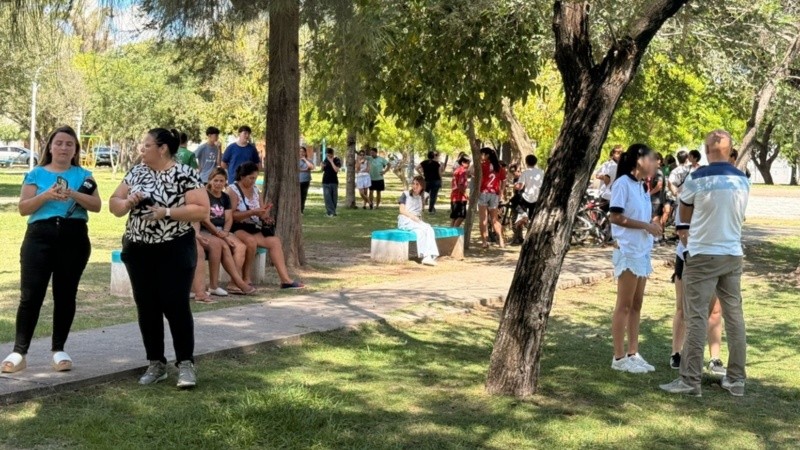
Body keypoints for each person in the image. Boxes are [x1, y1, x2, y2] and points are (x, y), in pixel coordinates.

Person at [109, 128, 209, 389]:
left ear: (162, 148)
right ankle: (156, 363)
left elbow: (201, 210)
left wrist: (166, 211)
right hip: (138, 249)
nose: (141, 149)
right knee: (147, 307)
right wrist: (128, 202)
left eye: (146, 145)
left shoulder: (185, 174)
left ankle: (185, 364)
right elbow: (114, 204)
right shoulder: (137, 171)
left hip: (174, 248)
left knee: (175, 306)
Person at [1, 126, 101, 374]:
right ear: (50, 147)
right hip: (39, 238)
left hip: (74, 238)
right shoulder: (35, 174)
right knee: (30, 296)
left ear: (75, 149)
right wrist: (46, 196)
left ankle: (59, 349)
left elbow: (97, 205)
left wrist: (74, 194)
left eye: (69, 144)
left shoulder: (84, 174)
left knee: (65, 295)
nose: (64, 148)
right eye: (59, 143)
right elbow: (24, 208)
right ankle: (19, 351)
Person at [661, 130, 749, 397]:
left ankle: (690, 380)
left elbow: (684, 208)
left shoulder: (698, 177)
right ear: (730, 150)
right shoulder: (743, 180)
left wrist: (687, 230)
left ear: (708, 151)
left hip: (702, 254)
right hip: (732, 253)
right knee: (734, 317)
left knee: (696, 315)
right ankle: (736, 379)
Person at [608, 143, 661, 374]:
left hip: (642, 251)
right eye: (651, 158)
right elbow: (616, 217)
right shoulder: (622, 184)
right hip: (628, 251)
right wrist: (646, 226)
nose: (655, 163)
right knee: (625, 304)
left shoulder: (642, 186)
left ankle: (633, 352)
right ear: (639, 160)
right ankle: (619, 357)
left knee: (637, 304)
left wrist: (652, 226)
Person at [668, 203, 726, 376]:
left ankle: (714, 358)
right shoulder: (689, 195)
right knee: (683, 308)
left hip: (716, 258)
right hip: (688, 257)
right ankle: (676, 353)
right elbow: (682, 232)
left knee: (715, 310)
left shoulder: (721, 197)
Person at [227, 162, 305, 289]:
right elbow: (231, 215)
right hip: (237, 227)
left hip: (253, 226)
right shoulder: (233, 190)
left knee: (274, 241)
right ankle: (246, 277)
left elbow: (260, 212)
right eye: (250, 178)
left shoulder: (256, 190)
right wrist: (252, 212)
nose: (253, 181)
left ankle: (285, 280)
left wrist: (265, 215)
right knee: (250, 241)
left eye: (255, 178)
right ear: (242, 176)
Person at [199, 167, 255, 296]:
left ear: (225, 182)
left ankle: (233, 284)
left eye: (222, 181)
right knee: (224, 245)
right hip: (207, 231)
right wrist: (219, 234)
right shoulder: (205, 196)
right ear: (210, 180)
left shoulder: (225, 197)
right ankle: (239, 282)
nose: (218, 184)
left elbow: (229, 218)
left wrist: (225, 231)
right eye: (216, 180)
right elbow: (204, 219)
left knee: (240, 246)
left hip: (222, 231)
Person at [398, 175, 439, 266]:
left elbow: (421, 211)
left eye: (418, 184)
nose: (415, 186)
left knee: (425, 230)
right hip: (405, 220)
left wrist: (418, 219)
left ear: (422, 186)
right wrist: (413, 217)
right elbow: (402, 210)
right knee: (426, 228)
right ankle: (427, 256)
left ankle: (428, 256)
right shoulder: (405, 194)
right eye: (413, 184)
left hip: (416, 221)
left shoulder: (424, 196)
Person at [478, 147, 506, 248]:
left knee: (483, 219)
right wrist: (501, 192)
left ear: (487, 155)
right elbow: (504, 180)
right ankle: (501, 240)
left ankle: (484, 241)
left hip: (484, 192)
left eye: (482, 154)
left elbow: (475, 175)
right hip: (494, 194)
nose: (481, 156)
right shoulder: (499, 167)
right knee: (495, 219)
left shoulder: (482, 166)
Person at [512, 154, 544, 244]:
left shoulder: (525, 173)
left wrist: (515, 185)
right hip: (537, 197)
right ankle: (531, 236)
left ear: (526, 162)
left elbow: (520, 186)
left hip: (526, 198)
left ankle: (523, 215)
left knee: (515, 204)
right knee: (533, 218)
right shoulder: (541, 172)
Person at [595, 145, 623, 212]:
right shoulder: (608, 164)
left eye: (621, 153)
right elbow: (597, 175)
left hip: (615, 195)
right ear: (613, 153)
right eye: (618, 152)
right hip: (606, 194)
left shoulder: (622, 166)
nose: (620, 154)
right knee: (602, 215)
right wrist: (603, 177)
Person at [450, 156, 470, 227]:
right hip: (459, 197)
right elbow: (460, 185)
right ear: (462, 163)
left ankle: (451, 234)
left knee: (454, 217)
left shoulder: (457, 170)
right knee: (461, 216)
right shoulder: (462, 172)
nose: (469, 165)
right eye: (467, 163)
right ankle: (454, 232)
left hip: (454, 197)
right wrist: (466, 195)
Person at [321, 148, 341, 217]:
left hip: (334, 181)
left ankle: (332, 212)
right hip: (325, 181)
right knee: (327, 198)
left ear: (332, 154)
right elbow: (322, 170)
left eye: (329, 155)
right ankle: (331, 212)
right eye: (327, 155)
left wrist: (331, 161)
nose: (328, 156)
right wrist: (322, 167)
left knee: (334, 198)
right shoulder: (325, 160)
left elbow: (336, 170)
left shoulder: (337, 160)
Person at [298, 146, 315, 213]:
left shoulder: (309, 160)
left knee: (303, 195)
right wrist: (305, 169)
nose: (301, 153)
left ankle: (301, 210)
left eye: (303, 151)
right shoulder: (295, 160)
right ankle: (297, 209)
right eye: (300, 151)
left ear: (305, 153)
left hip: (306, 180)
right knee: (297, 196)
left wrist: (305, 160)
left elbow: (311, 167)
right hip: (298, 181)